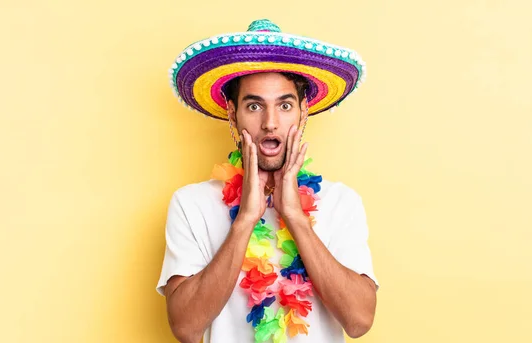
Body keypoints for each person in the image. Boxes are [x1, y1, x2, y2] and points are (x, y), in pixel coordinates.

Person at [156, 19, 379, 343]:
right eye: (254, 105)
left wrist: (295, 218)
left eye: (285, 105)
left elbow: (359, 321)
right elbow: (186, 329)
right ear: (232, 113)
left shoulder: (341, 201)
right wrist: (246, 218)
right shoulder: (191, 204)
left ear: (303, 111)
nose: (270, 123)